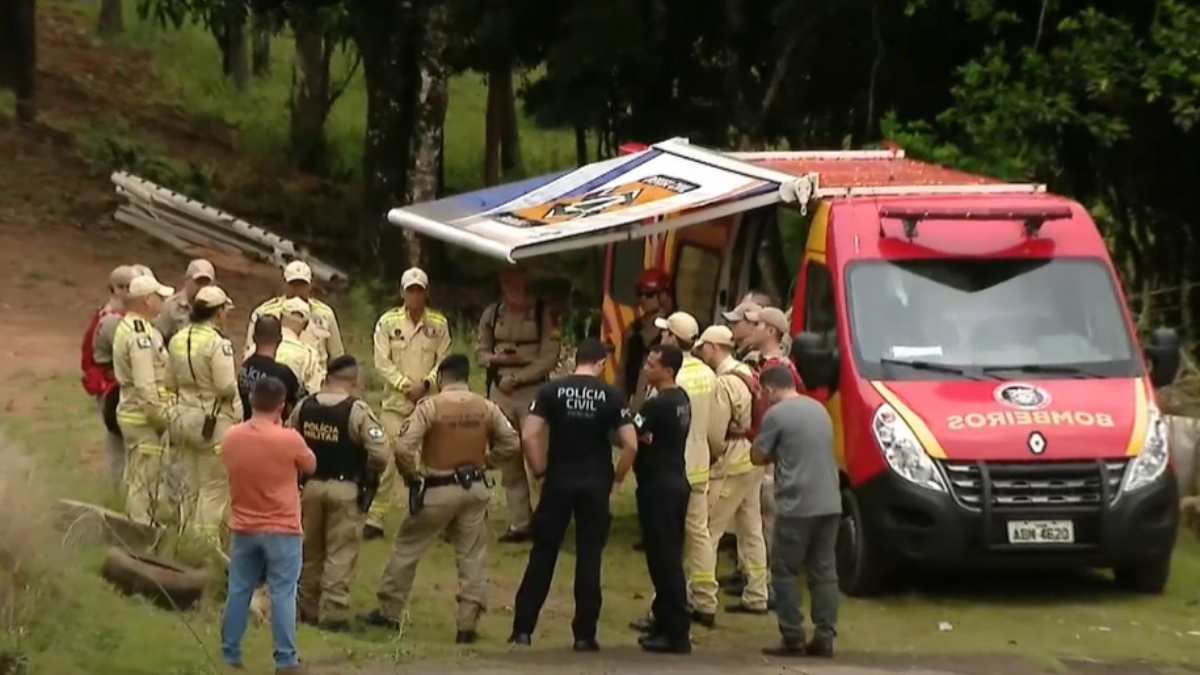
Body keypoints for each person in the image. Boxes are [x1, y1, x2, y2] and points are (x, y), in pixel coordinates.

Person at [363, 354, 521, 643]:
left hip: (437, 486)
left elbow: (403, 448)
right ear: (466, 377)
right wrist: (486, 461)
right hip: (474, 488)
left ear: (441, 378)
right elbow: (512, 443)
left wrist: (412, 476)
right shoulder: (486, 407)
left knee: (407, 548)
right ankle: (467, 623)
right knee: (471, 556)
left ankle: (389, 610)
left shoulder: (430, 407)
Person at [509, 339, 636, 651]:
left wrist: (540, 469)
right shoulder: (611, 395)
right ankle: (584, 635)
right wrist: (617, 477)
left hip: (559, 481)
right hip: (595, 483)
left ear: (576, 360)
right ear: (601, 363)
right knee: (589, 557)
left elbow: (529, 433)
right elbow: (631, 443)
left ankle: (523, 630)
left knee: (543, 553)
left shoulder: (552, 391)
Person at [220, 376, 316, 674]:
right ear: (282, 405)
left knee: (239, 589)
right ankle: (286, 660)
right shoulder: (289, 439)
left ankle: (230, 653)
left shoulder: (232, 436)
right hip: (282, 529)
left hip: (244, 526)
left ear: (251, 401)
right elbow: (310, 465)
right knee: (283, 592)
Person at [288, 355, 389, 632]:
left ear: (327, 378)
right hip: (346, 488)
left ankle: (307, 607)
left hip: (310, 487)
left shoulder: (304, 407)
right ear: (354, 381)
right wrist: (367, 472)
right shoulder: (356, 410)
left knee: (311, 550)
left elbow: (289, 440)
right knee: (340, 552)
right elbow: (380, 453)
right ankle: (333, 611)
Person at [751, 366, 841, 658]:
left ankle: (793, 636)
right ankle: (825, 635)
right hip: (829, 501)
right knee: (824, 571)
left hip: (796, 503)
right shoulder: (819, 410)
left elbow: (758, 455)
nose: (764, 398)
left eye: (764, 393)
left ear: (771, 389)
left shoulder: (776, 415)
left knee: (785, 570)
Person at [477, 265, 560, 544]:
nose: (510, 282)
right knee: (508, 458)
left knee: (538, 457)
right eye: (505, 278)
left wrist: (520, 375)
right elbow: (481, 352)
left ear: (526, 279)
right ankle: (520, 523)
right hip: (500, 391)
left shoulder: (542, 312)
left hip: (533, 391)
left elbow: (550, 356)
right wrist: (496, 360)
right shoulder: (492, 314)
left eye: (516, 277)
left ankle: (549, 520)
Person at [369, 267, 452, 540]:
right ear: (402, 292)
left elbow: (444, 360)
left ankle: (429, 515)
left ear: (426, 292)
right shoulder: (387, 322)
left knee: (430, 460)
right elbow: (382, 362)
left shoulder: (438, 324)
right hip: (395, 403)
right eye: (410, 290)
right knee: (389, 459)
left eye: (419, 290)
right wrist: (406, 385)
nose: (414, 296)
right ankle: (376, 518)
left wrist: (426, 384)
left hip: (428, 404)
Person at [694, 325, 770, 615]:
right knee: (751, 529)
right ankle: (758, 593)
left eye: (703, 348)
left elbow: (716, 432)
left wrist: (712, 456)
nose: (701, 353)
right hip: (753, 459)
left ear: (713, 348)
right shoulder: (748, 371)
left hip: (732, 460)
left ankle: (699, 596)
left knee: (707, 528)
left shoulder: (724, 382)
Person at [651, 312, 718, 627]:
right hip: (701, 463)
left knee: (667, 543)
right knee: (699, 533)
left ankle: (664, 608)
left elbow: (649, 428)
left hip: (672, 465)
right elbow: (716, 425)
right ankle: (705, 599)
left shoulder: (668, 379)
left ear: (672, 339)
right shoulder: (709, 374)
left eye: (665, 333)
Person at [164, 285, 243, 546]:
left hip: (182, 416)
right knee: (214, 488)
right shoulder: (218, 344)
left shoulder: (177, 339)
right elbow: (225, 386)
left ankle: (186, 539)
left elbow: (169, 382)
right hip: (212, 421)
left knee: (191, 486)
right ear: (218, 312)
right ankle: (206, 545)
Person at [632, 345, 693, 655]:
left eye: (653, 364)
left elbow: (629, 431)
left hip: (659, 488)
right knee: (668, 558)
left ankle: (676, 632)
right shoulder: (682, 399)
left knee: (664, 562)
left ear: (668, 370)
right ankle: (665, 621)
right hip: (676, 482)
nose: (646, 367)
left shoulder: (656, 406)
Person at [112, 273, 175, 525]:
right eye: (159, 297)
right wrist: (160, 418)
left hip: (133, 413)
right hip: (143, 418)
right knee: (144, 481)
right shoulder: (140, 336)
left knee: (141, 475)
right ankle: (140, 530)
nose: (163, 302)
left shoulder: (132, 326)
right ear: (148, 300)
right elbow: (145, 384)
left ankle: (143, 524)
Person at [83, 264, 139, 486]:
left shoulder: (111, 315)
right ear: (115, 288)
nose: (127, 291)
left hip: (113, 384)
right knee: (120, 446)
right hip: (113, 386)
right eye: (123, 287)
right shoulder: (113, 320)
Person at [245, 260, 345, 367]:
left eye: (302, 285)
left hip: (315, 376)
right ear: (284, 284)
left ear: (311, 285)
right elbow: (250, 349)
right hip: (276, 374)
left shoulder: (325, 314)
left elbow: (337, 356)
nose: (298, 290)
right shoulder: (265, 312)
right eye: (293, 284)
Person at [622, 268, 673, 407]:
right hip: (633, 399)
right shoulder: (633, 330)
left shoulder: (671, 331)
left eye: (649, 294)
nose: (643, 299)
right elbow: (623, 369)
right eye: (640, 294)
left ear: (663, 296)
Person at [238, 315, 302, 422]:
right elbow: (300, 403)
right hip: (274, 433)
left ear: (253, 338)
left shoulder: (245, 367)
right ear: (280, 339)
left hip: (248, 428)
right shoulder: (283, 374)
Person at [156, 259, 215, 343]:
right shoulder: (171, 306)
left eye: (206, 283)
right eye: (198, 282)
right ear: (187, 280)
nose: (202, 287)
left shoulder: (215, 308)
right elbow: (158, 337)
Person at [746, 306, 805, 392]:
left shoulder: (777, 367)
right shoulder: (759, 361)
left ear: (771, 331)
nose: (751, 328)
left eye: (756, 324)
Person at [276, 297, 324, 395]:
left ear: (280, 317)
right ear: (306, 325)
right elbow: (314, 393)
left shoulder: (259, 347)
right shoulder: (309, 356)